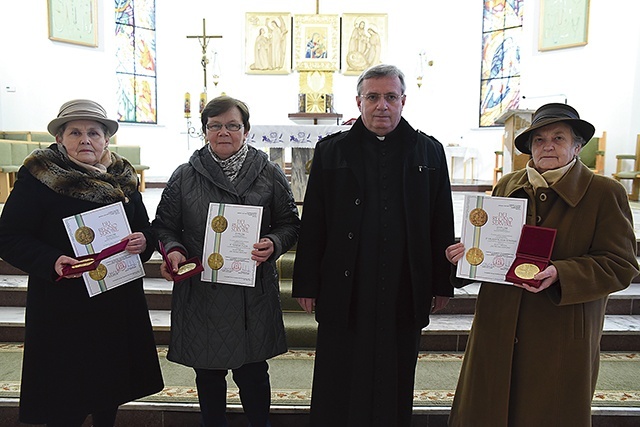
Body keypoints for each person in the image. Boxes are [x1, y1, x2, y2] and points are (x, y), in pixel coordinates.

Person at [445, 103, 639, 426]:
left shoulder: (605, 193)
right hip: (499, 325)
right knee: (487, 408)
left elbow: (621, 264)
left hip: (559, 333)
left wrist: (562, 273)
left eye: (558, 138)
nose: (547, 145)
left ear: (577, 147)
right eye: (539, 140)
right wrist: (467, 256)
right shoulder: (508, 185)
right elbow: (492, 244)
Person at [292, 64, 456, 426]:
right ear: (359, 101)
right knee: (341, 369)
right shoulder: (332, 151)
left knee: (396, 369)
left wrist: (442, 282)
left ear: (403, 101)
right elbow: (315, 220)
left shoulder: (428, 152)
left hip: (403, 282)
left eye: (390, 97)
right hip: (346, 282)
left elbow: (441, 221)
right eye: (373, 97)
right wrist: (306, 282)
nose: (382, 105)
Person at [0, 99, 164, 426]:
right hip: (63, 305)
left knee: (110, 388)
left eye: (94, 132)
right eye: (75, 132)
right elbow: (9, 236)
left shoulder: (123, 177)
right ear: (60, 139)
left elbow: (145, 228)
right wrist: (51, 261)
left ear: (106, 140)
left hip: (114, 301)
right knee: (65, 399)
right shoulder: (38, 176)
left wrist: (144, 241)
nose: (85, 139)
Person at [152, 95, 300, 427]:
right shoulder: (184, 175)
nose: (224, 132)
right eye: (215, 125)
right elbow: (163, 226)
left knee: (253, 374)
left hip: (252, 290)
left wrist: (273, 243)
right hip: (202, 289)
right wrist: (172, 249)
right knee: (208, 374)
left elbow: (290, 223)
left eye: (232, 125)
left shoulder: (270, 173)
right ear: (205, 130)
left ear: (246, 130)